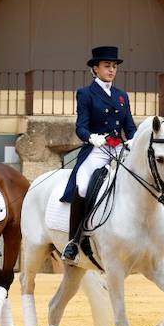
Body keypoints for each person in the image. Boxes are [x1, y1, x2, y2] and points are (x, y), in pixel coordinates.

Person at [60, 46, 137, 263]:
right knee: (83, 186)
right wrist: (91, 137)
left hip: (119, 148)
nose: (111, 70)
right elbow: (80, 127)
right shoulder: (86, 94)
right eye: (107, 66)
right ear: (95, 69)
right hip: (98, 149)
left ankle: (151, 238)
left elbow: (129, 126)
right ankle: (73, 241)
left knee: (145, 179)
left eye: (114, 66)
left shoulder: (122, 95)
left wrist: (133, 139)